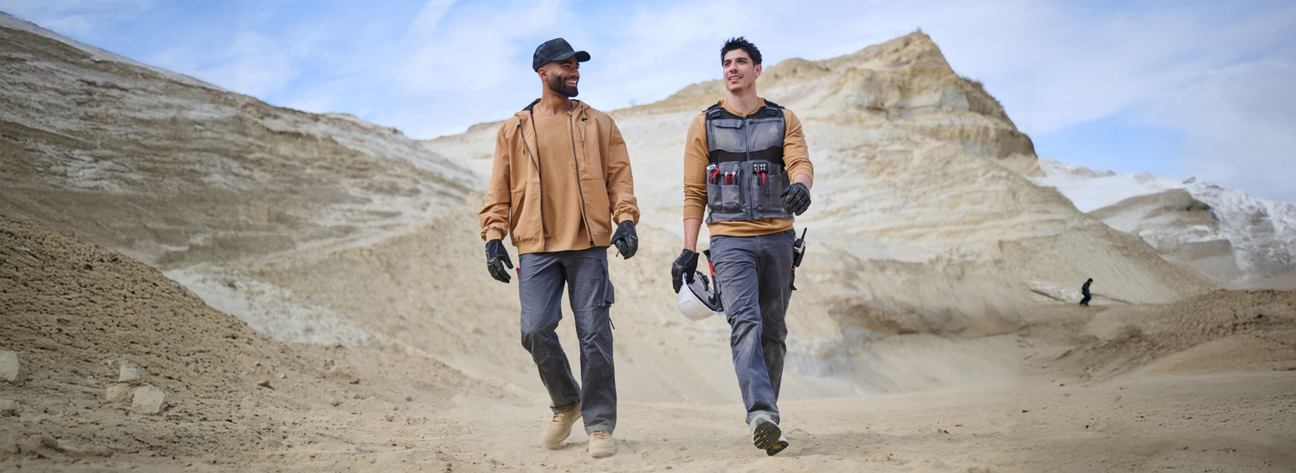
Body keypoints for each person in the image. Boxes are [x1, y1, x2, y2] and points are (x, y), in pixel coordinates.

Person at [478, 37, 639, 459]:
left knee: (594, 335)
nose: (574, 72)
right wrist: (493, 238)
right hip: (536, 247)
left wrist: (625, 219)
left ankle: (599, 424)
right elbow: (498, 190)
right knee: (534, 330)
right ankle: (567, 402)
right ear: (542, 72)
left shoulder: (599, 123)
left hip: (588, 244)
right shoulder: (514, 129)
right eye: (565, 66)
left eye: (576, 65)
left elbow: (619, 176)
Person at [670, 36, 813, 456]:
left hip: (779, 237)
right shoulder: (704, 124)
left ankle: (768, 416)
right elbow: (694, 191)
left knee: (774, 329)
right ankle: (762, 415)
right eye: (727, 63)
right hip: (729, 241)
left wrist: (802, 186)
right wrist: (689, 249)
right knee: (745, 322)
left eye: (741, 62)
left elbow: (800, 163)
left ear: (757, 70)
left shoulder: (784, 119)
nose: (733, 68)